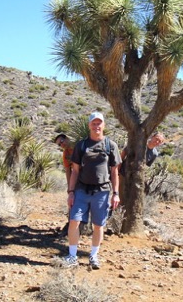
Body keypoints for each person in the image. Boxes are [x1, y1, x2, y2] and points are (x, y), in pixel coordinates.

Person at [63, 112, 121, 269]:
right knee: (74, 221)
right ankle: (72, 256)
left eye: (99, 123)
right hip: (81, 190)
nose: (97, 126)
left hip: (102, 191)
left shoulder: (111, 145)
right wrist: (71, 192)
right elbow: (74, 171)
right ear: (89, 125)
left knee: (98, 225)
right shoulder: (81, 145)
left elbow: (114, 172)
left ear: (104, 125)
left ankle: (94, 256)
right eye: (94, 123)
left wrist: (115, 194)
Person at [54, 133, 74, 235]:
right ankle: (71, 226)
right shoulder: (66, 153)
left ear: (66, 138)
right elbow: (68, 170)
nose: (61, 145)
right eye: (59, 145)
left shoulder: (79, 146)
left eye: (61, 141)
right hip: (76, 180)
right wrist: (70, 187)